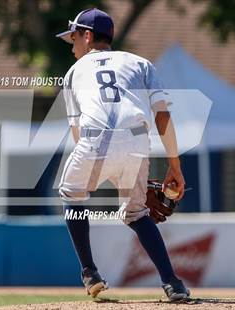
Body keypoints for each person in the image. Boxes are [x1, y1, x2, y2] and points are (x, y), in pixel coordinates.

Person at [56, 8, 190, 301]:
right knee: (137, 213)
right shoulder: (140, 63)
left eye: (75, 38)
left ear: (88, 36)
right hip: (138, 142)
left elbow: (78, 134)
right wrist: (174, 165)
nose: (73, 45)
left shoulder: (74, 73)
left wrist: (99, 170)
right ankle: (173, 283)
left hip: (95, 138)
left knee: (71, 194)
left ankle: (90, 272)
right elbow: (162, 116)